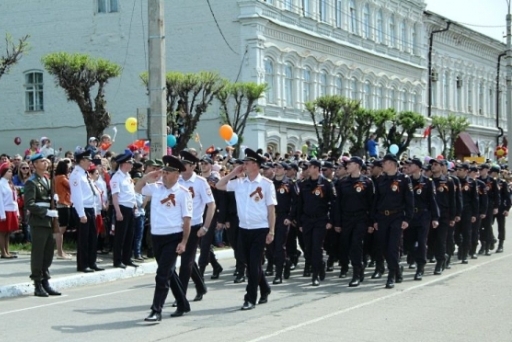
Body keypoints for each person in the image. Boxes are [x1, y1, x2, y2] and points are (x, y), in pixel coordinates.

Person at [216, 148, 276, 310]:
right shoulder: (239, 183)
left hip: (260, 228)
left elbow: (271, 209)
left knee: (254, 263)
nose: (245, 165)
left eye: (248, 163)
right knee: (248, 263)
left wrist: (271, 231)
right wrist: (233, 173)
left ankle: (250, 298)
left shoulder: (266, 184)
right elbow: (219, 185)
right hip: (243, 229)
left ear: (256, 165)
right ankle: (265, 288)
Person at [135, 155, 191, 322]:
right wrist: (147, 177)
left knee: (161, 275)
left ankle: (156, 310)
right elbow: (137, 188)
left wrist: (184, 242)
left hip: (173, 236)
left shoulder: (183, 193)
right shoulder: (156, 188)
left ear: (177, 174)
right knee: (169, 272)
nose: (165, 174)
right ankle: (182, 303)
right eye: (164, 171)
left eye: (168, 172)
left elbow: (187, 219)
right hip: (156, 236)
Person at [370, 154, 414, 289]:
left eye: (385, 162)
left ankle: (391, 276)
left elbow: (409, 201)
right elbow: (375, 201)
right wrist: (374, 219)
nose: (383, 165)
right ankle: (397, 269)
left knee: (393, 248)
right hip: (382, 217)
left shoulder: (404, 179)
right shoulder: (380, 179)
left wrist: (407, 219)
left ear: (393, 164)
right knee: (382, 247)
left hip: (397, 217)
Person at [175, 150, 214, 302]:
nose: (182, 166)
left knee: (185, 263)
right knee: (188, 259)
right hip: (177, 225)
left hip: (194, 225)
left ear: (192, 166)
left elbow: (211, 205)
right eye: (182, 163)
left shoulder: (200, 182)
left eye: (185, 164)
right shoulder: (176, 180)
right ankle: (201, 286)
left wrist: (205, 227)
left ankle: (181, 296)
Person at [334, 156, 374, 287]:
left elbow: (371, 204)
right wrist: (338, 222)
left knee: (356, 244)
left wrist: (370, 223)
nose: (347, 166)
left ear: (357, 165)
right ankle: (358, 266)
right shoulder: (342, 182)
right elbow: (338, 204)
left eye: (349, 164)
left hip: (361, 218)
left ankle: (356, 272)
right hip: (346, 218)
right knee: (346, 245)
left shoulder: (367, 182)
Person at [25, 154, 61, 297]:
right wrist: (46, 212)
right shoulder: (31, 182)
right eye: (41, 161)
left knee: (48, 253)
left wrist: (55, 199)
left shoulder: (46, 179)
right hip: (39, 221)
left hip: (48, 221)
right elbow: (29, 204)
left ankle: (45, 280)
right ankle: (37, 283)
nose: (45, 163)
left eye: (46, 161)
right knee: (38, 254)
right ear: (34, 164)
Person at [296, 159, 336, 286]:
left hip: (320, 219)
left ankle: (315, 274)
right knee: (308, 248)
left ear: (317, 168)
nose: (307, 169)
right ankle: (320, 264)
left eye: (310, 167)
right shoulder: (304, 184)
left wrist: (331, 220)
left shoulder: (326, 183)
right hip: (307, 220)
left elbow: (333, 203)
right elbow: (299, 205)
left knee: (317, 247)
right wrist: (300, 223)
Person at [405, 158, 439, 280]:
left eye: (412, 165)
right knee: (409, 242)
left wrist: (435, 217)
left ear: (419, 167)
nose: (409, 167)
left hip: (423, 215)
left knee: (422, 242)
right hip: (410, 216)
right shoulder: (406, 181)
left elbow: (432, 200)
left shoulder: (427, 182)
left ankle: (420, 267)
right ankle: (412, 257)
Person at [70, 150, 104, 273]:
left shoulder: (84, 174)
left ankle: (92, 262)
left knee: (92, 238)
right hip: (82, 208)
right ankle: (83, 264)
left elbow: (92, 193)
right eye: (88, 160)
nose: (90, 162)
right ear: (82, 160)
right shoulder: (76, 175)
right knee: (83, 239)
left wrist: (94, 209)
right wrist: (81, 214)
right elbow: (77, 196)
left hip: (90, 208)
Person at [110, 151, 138, 269]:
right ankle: (117, 260)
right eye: (130, 163)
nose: (132, 165)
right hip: (122, 207)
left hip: (130, 207)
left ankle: (127, 258)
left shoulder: (127, 176)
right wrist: (118, 211)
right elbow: (115, 196)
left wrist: (135, 205)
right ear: (123, 164)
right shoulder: (117, 178)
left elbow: (131, 192)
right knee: (120, 236)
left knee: (129, 235)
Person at [0, 163, 19, 259]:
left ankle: (7, 251)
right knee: (2, 232)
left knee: (8, 232)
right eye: (9, 171)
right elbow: (0, 201)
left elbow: (15, 199)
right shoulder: (1, 184)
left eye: (11, 171)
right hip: (5, 210)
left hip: (12, 210)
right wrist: (2, 214)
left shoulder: (10, 184)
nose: (11, 173)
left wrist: (17, 212)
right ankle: (3, 252)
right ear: (3, 172)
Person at [54, 159, 72, 259]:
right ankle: (60, 252)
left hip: (61, 202)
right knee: (61, 229)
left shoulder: (56, 177)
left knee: (61, 228)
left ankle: (60, 250)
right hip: (63, 203)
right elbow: (71, 186)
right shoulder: (62, 178)